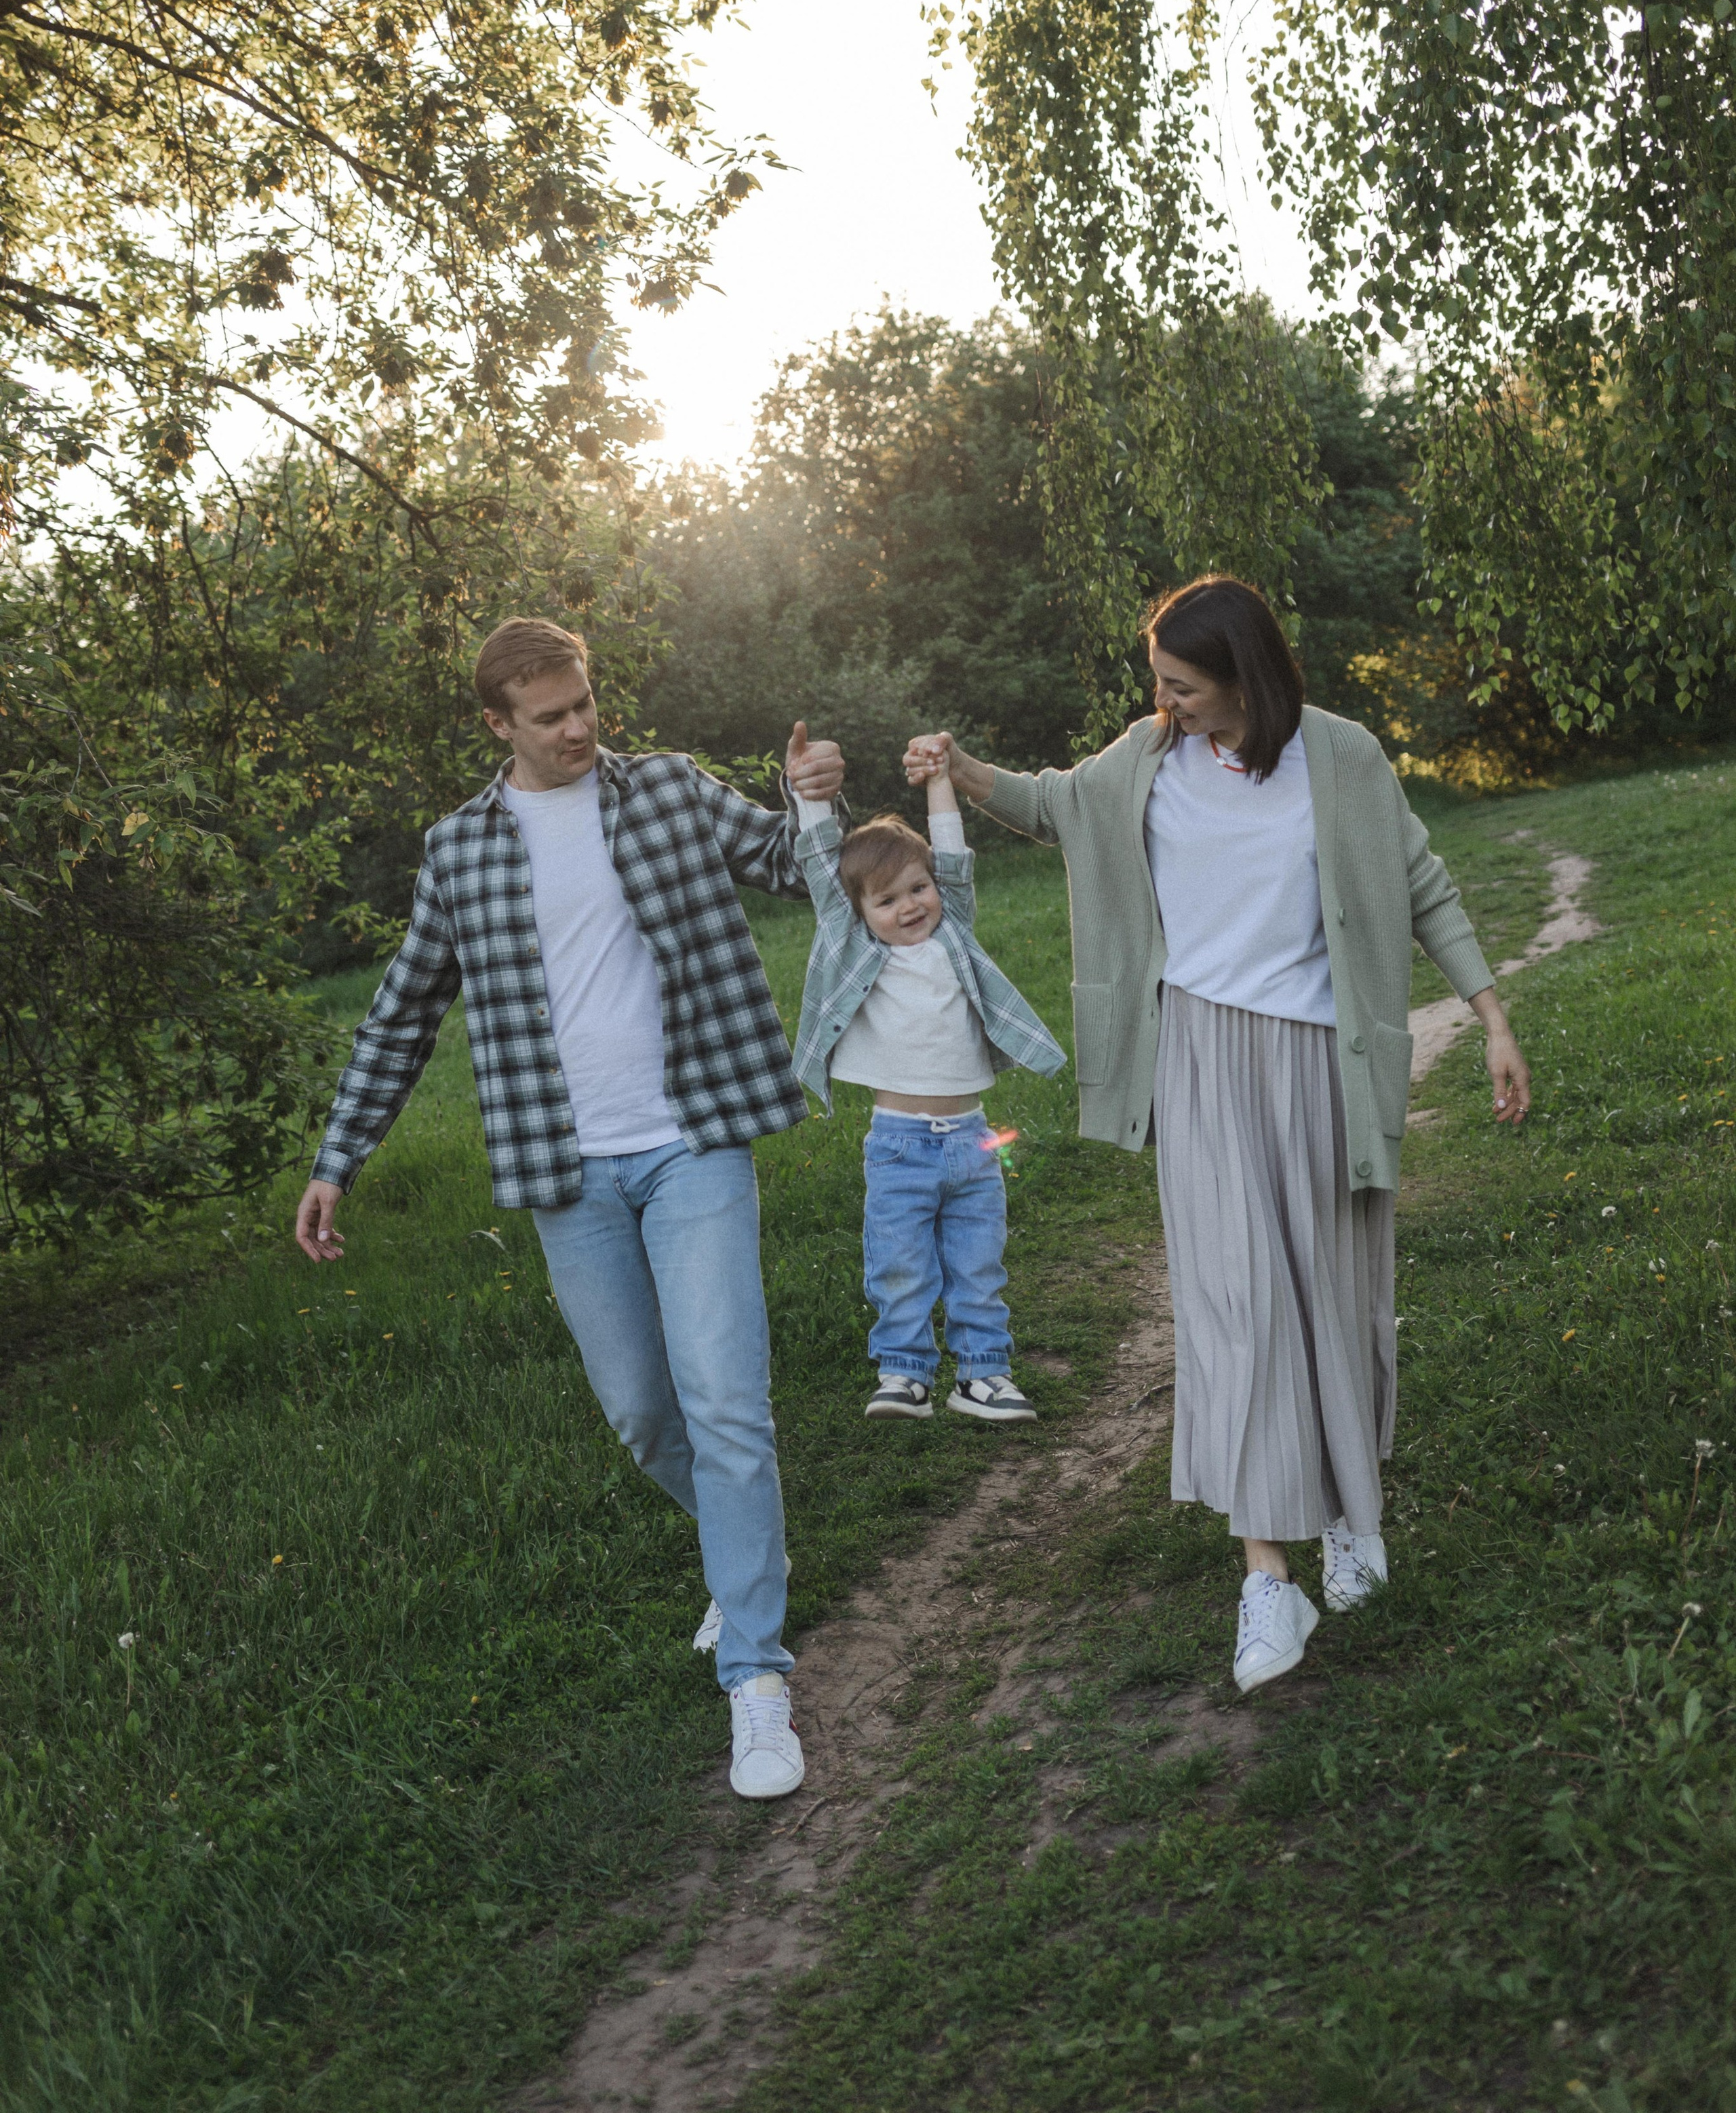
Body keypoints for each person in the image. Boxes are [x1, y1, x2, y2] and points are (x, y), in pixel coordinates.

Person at [903, 576, 1531, 1695]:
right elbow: (1050, 805)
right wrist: (958, 772)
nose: (1167, 703)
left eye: (1185, 686)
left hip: (1322, 1063)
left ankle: (1349, 1516)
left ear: (1247, 676)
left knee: (1332, 1293)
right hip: (1198, 1060)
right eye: (1160, 684)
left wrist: (1489, 1016)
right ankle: (1266, 1577)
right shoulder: (1147, 760)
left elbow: (1422, 883)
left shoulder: (1342, 759)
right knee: (1235, 1308)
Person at [294, 616, 844, 1800]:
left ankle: (757, 1680)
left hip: (693, 1140)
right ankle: (744, 1545)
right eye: (551, 718)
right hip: (566, 1172)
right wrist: (340, 1158)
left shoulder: (669, 794)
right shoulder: (460, 853)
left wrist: (807, 801)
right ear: (499, 726)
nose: (580, 729)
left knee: (726, 1403)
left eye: (585, 704)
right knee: (646, 1415)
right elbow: (400, 1017)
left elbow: (795, 866)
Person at [789, 755, 1066, 1424]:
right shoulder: (852, 944)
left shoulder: (953, 932)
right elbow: (824, 867)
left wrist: (939, 778)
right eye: (886, 901)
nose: (909, 906)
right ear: (859, 910)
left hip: (974, 1141)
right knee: (900, 1266)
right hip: (899, 1145)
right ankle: (905, 1373)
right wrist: (811, 799)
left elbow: (952, 852)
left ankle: (983, 1377)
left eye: (917, 889)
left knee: (978, 1268)